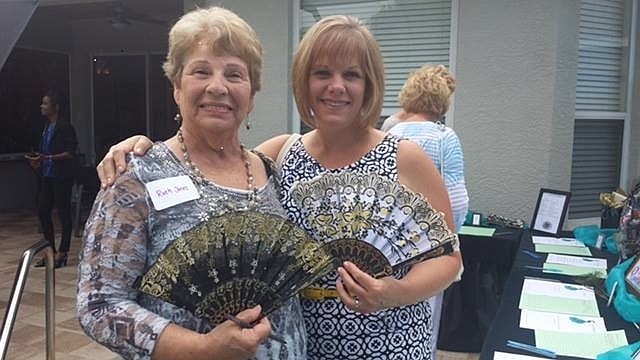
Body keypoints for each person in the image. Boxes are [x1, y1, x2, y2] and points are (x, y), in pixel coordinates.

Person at [95, 14, 462, 360]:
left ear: (369, 85)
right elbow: (205, 166)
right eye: (322, 73)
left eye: (352, 75)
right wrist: (141, 148)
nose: (336, 86)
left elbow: (448, 257)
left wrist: (394, 293)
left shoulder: (404, 157)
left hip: (387, 344)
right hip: (303, 346)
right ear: (304, 81)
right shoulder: (279, 156)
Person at [76, 7, 306, 360]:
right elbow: (100, 305)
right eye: (201, 71)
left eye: (235, 74)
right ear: (177, 87)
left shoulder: (268, 171)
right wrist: (203, 348)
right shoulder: (135, 177)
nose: (218, 87)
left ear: (252, 94)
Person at [385, 64, 470, 352]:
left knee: (390, 314)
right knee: (425, 320)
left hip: (387, 246)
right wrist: (452, 237)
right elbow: (457, 201)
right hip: (428, 247)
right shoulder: (444, 138)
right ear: (443, 100)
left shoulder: (388, 132)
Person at [25, 91, 78, 268]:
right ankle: (50, 251)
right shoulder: (46, 127)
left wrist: (46, 159)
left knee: (63, 213)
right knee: (42, 211)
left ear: (55, 107)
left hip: (62, 176)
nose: (42, 106)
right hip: (47, 175)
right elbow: (45, 151)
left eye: (45, 104)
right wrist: (37, 162)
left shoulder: (64, 127)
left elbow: (70, 153)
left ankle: (63, 252)